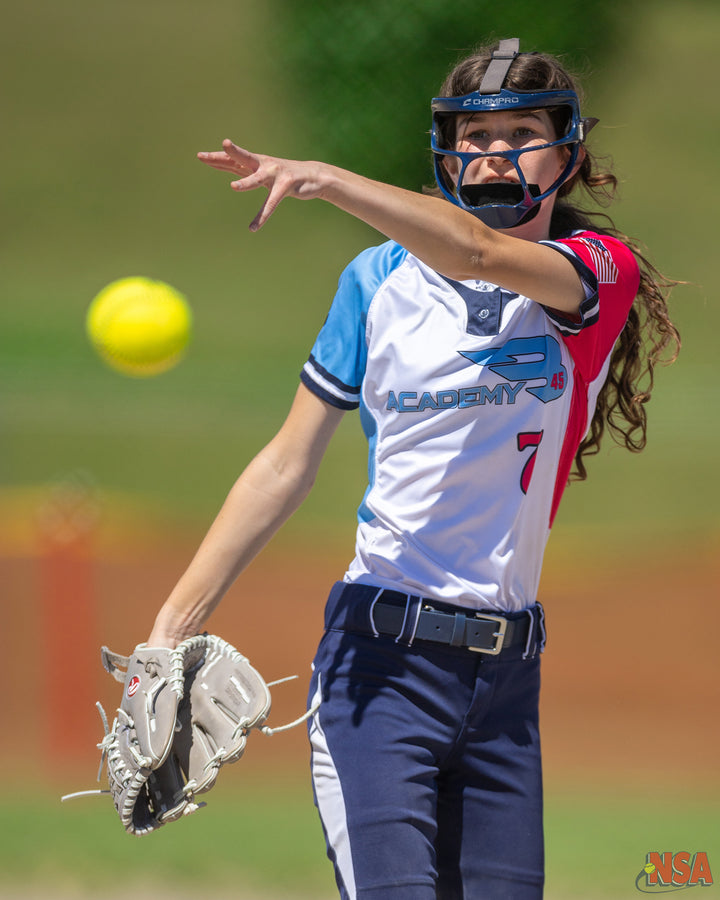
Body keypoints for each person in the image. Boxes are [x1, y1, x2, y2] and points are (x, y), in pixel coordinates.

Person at [147, 39, 679, 899]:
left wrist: (327, 177)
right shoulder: (376, 280)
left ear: (568, 153)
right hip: (380, 670)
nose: (494, 151)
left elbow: (476, 253)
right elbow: (286, 465)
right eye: (474, 135)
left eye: (520, 132)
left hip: (506, 685)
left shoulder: (594, 275)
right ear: (445, 151)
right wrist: (170, 629)